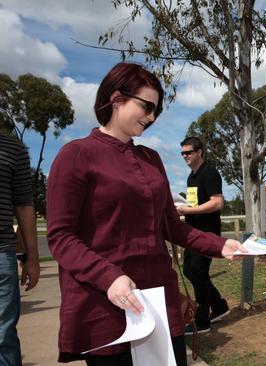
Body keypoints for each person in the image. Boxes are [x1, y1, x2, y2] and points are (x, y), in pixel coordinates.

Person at [46, 62, 245, 366]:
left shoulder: (151, 159)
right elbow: (61, 237)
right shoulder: (75, 155)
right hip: (106, 302)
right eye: (146, 106)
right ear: (116, 98)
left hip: (158, 300)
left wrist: (219, 245)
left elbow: (173, 228)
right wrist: (108, 278)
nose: (151, 117)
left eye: (156, 110)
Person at [177, 137, 230, 334]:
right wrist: (183, 209)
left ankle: (202, 321)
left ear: (200, 151)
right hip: (192, 232)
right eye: (182, 153)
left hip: (207, 234)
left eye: (188, 152)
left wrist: (188, 211)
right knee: (190, 270)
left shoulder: (210, 173)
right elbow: (193, 204)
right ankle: (219, 306)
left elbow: (217, 203)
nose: (185, 156)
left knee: (198, 272)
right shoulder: (191, 177)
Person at [0, 133, 40, 366]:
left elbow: (24, 205)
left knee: (3, 337)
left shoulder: (13, 148)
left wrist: (31, 258)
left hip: (2, 252)